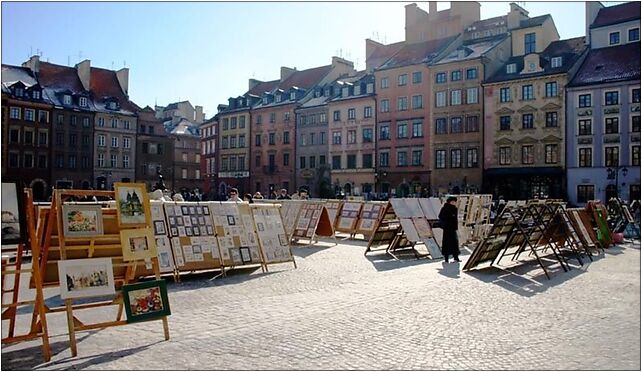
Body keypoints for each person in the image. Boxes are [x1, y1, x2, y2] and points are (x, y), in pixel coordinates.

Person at [438, 196, 461, 263]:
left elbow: (455, 219)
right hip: (447, 228)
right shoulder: (445, 208)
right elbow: (440, 216)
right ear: (449, 202)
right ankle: (446, 258)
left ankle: (456, 257)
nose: (454, 203)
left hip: (453, 228)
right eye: (453, 201)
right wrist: (448, 218)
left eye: (455, 202)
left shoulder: (455, 209)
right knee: (447, 243)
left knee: (455, 243)